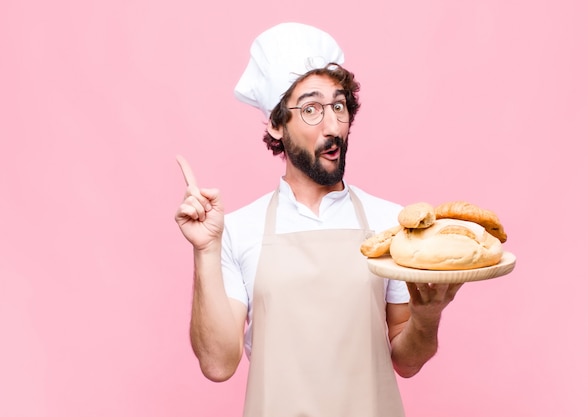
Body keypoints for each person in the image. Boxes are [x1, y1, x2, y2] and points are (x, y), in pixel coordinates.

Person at [174, 22, 463, 417]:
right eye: (310, 109)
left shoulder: (391, 224)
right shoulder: (238, 230)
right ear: (276, 124)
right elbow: (218, 364)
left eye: (339, 106)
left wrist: (427, 318)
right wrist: (206, 250)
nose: (332, 127)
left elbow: (407, 361)